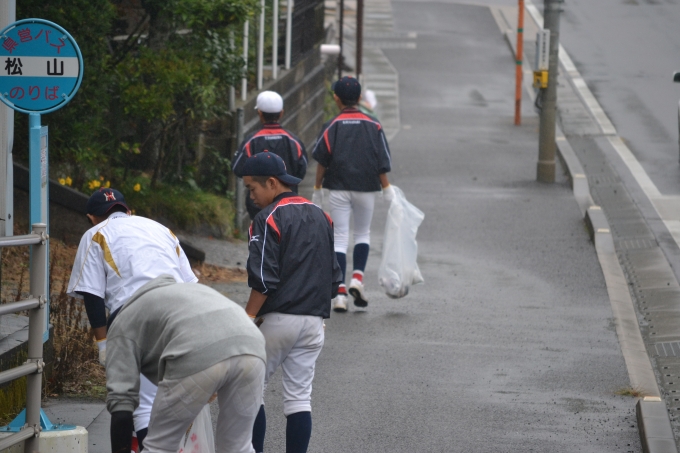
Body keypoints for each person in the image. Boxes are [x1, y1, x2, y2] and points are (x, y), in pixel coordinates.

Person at [67, 187, 198, 449]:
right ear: (127, 210)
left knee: (137, 405)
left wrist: (103, 345)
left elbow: (92, 295)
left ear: (91, 217)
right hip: (180, 313)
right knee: (167, 401)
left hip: (134, 317)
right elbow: (191, 284)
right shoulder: (162, 229)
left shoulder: (95, 234)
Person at [240, 152, 342, 453]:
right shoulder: (322, 215)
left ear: (272, 183)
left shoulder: (267, 218)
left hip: (277, 321)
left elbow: (263, 278)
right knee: (299, 399)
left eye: (252, 188)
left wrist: (246, 319)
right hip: (313, 322)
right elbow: (333, 277)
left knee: (251, 391)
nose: (251, 196)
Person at [106, 275, 266, 453]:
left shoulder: (120, 326)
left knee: (160, 446)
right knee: (238, 447)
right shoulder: (172, 294)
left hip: (198, 350)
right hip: (253, 343)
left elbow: (121, 408)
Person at [311, 76, 394, 312]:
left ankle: (340, 294)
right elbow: (382, 159)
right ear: (359, 98)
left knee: (339, 237)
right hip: (366, 186)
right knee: (362, 233)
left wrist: (317, 188)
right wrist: (386, 188)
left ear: (336, 98)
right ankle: (357, 279)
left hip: (338, 186)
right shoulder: (374, 125)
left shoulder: (332, 125)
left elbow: (322, 160)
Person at [233, 90, 308, 220]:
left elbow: (237, 168)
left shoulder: (251, 141)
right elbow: (302, 168)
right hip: (287, 204)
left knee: (261, 232)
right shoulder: (293, 140)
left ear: (259, 113)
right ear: (281, 113)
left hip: (258, 207)